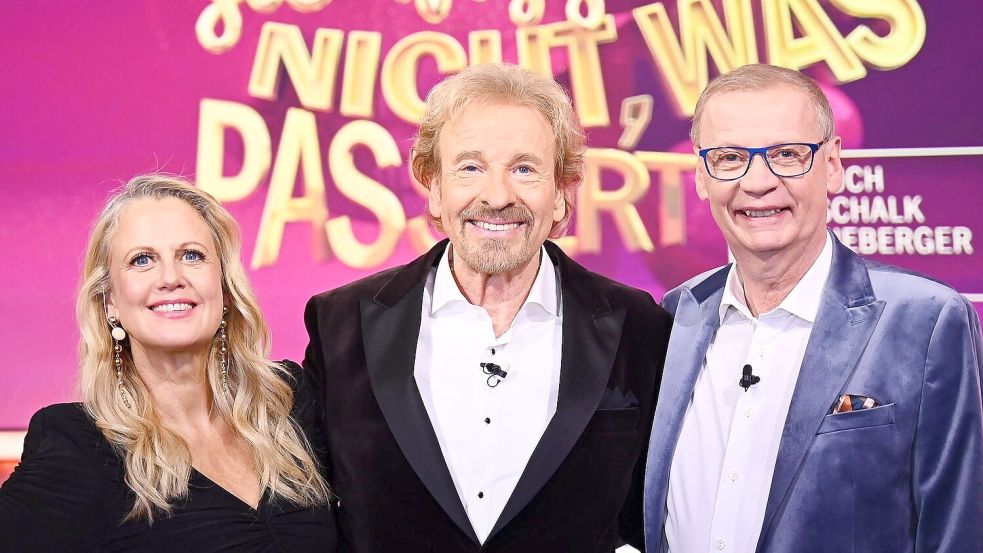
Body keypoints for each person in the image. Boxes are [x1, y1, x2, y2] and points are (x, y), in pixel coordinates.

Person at [302, 63, 672, 552]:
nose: (497, 197)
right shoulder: (340, 323)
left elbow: (654, 512)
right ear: (435, 189)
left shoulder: (637, 325)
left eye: (524, 169)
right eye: (470, 168)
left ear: (562, 194)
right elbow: (306, 513)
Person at [643, 63, 983, 553]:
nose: (757, 182)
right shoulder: (677, 315)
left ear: (833, 165)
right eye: (730, 158)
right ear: (701, 176)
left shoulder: (925, 321)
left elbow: (959, 528)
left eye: (786, 154)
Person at [0, 175, 335, 552]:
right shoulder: (77, 445)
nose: (171, 278)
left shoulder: (289, 403)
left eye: (192, 255)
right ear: (110, 301)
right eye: (141, 260)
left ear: (224, 287)